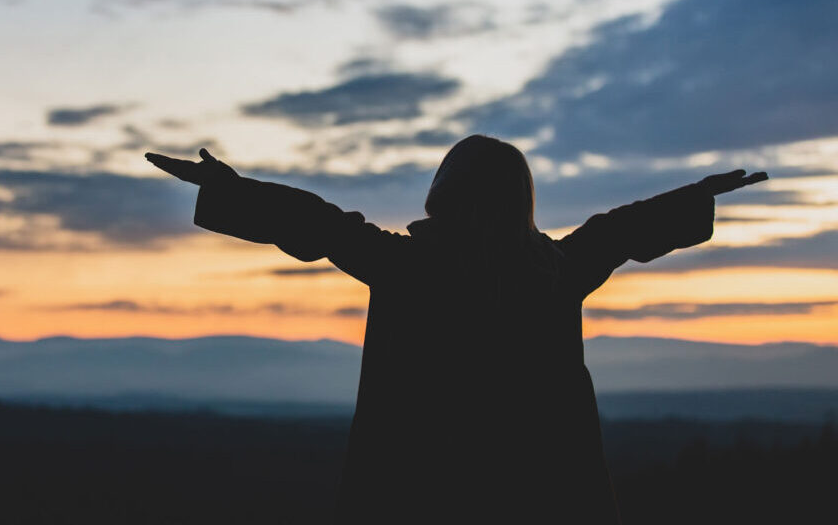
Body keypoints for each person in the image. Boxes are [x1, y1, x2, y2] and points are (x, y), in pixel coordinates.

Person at [146, 135, 767, 524]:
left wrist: (228, 191)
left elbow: (319, 224)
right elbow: (616, 231)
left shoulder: (409, 267)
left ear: (445, 193)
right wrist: (696, 196)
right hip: (541, 498)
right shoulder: (554, 271)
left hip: (416, 494)